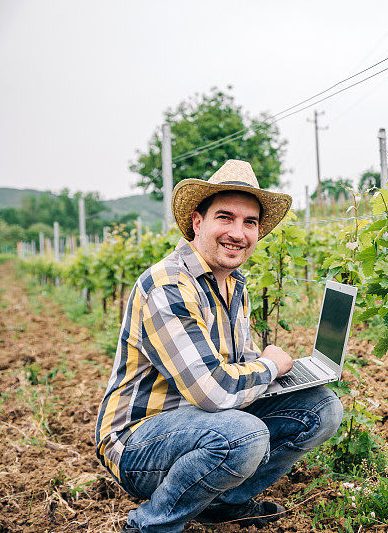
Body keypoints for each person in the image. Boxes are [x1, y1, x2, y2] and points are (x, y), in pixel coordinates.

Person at [94, 160, 343, 532]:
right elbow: (213, 391)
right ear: (198, 222)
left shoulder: (233, 284)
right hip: (138, 441)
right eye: (225, 217)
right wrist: (273, 366)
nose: (238, 233)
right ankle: (151, 525)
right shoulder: (169, 285)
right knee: (245, 435)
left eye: (250, 222)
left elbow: (236, 368)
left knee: (323, 407)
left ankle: (221, 504)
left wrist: (287, 374)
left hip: (203, 422)